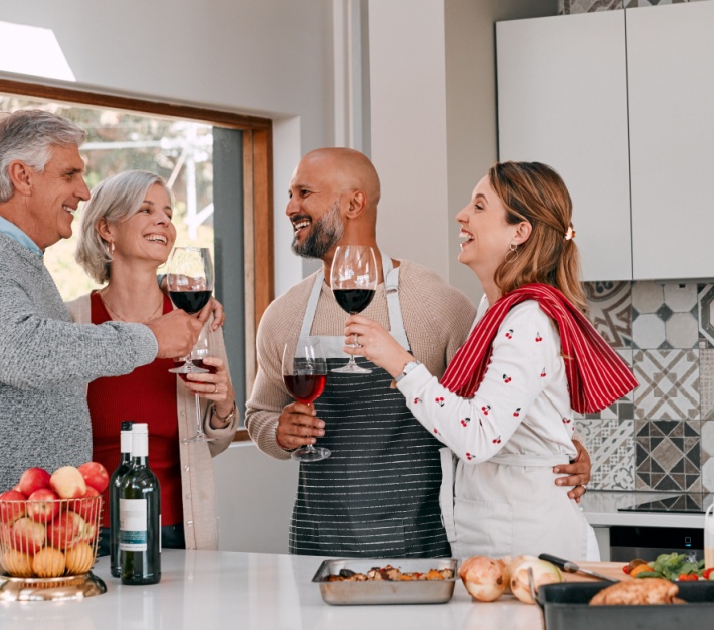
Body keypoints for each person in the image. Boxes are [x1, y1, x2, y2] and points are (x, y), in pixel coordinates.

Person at [0, 111, 207, 589]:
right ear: (21, 176)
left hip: (34, 538)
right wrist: (150, 338)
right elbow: (25, 352)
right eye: (70, 174)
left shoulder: (19, 261)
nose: (84, 193)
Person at [245, 148, 594, 559]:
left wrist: (566, 445)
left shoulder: (441, 304)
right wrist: (279, 433)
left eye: (304, 192)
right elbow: (259, 415)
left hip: (425, 544)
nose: (289, 207)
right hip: (318, 541)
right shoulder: (283, 316)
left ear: (355, 203)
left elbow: (490, 413)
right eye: (290, 193)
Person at [344, 161, 636, 560]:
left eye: (479, 206)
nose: (462, 215)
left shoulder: (527, 319)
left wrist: (400, 362)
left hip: (528, 546)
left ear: (520, 232)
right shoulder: (494, 308)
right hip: (498, 535)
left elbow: (479, 435)